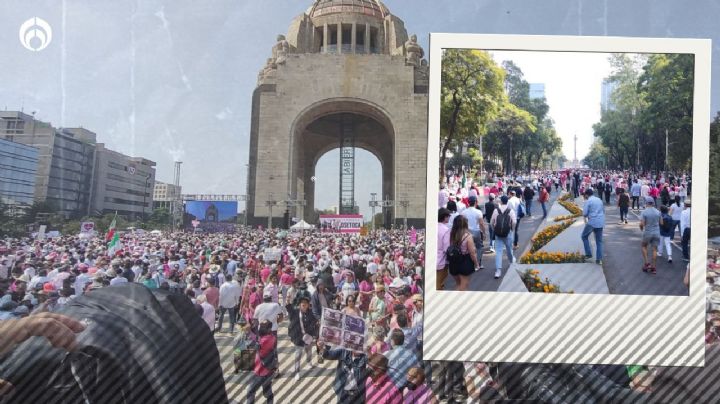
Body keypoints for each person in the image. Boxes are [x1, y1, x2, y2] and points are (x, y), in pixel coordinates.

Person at [286, 295, 318, 381]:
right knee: (298, 354)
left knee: (309, 351)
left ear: (308, 305)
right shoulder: (295, 312)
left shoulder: (311, 313)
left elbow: (315, 322)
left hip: (308, 337)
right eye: (302, 303)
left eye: (305, 303)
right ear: (300, 305)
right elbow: (289, 308)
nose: (304, 304)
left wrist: (313, 334)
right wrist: (288, 301)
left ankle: (309, 362)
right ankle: (297, 372)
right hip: (298, 337)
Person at [247, 320, 277, 404]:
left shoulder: (264, 340)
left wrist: (247, 333)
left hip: (260, 371)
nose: (260, 328)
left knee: (250, 391)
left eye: (263, 327)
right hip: (269, 370)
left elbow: (252, 345)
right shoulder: (272, 337)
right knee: (267, 392)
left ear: (268, 329)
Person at [447, 215, 480, 291]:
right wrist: (476, 263)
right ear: (465, 224)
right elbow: (472, 253)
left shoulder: (451, 234)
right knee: (463, 285)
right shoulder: (468, 236)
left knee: (458, 284)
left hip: (453, 262)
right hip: (465, 262)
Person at [490, 195, 517, 279]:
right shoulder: (510, 211)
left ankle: (498, 271)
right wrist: (512, 230)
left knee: (498, 252)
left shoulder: (496, 210)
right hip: (507, 233)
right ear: (507, 202)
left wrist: (494, 229)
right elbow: (514, 222)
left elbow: (491, 222)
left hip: (498, 234)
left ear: (501, 202)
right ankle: (511, 262)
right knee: (509, 249)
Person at [461, 196, 487, 270]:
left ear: (468, 202)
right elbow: (481, 223)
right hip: (476, 232)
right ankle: (478, 264)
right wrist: (484, 233)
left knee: (467, 248)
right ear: (476, 202)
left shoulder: (464, 212)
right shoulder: (478, 212)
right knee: (479, 247)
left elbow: (462, 223)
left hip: (466, 232)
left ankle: (470, 263)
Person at [581, 188, 605, 265]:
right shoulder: (599, 199)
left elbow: (584, 213)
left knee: (584, 236)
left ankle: (588, 254)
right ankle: (599, 259)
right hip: (600, 221)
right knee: (599, 241)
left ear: (587, 194)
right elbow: (603, 210)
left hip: (592, 222)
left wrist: (588, 214)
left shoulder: (588, 201)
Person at [640, 198, 662, 274]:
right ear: (653, 203)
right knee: (655, 250)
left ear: (646, 203)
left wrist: (641, 228)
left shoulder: (644, 212)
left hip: (648, 232)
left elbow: (642, 224)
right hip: (656, 232)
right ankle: (654, 267)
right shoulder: (658, 212)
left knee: (643, 246)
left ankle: (647, 263)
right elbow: (661, 223)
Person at [437, 208, 452, 290]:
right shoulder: (446, 230)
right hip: (441, 260)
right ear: (445, 217)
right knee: (439, 284)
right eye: (449, 216)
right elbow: (447, 248)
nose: (449, 218)